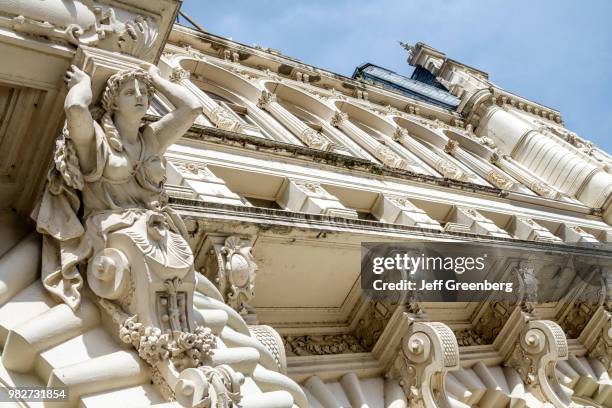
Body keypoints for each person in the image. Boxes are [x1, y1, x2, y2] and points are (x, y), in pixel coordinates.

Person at [33, 63, 202, 309]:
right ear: (113, 102)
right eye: (130, 92)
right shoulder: (96, 140)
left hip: (158, 234)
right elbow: (76, 108)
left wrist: (157, 80)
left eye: (144, 92)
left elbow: (192, 108)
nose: (140, 96)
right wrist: (83, 85)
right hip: (111, 235)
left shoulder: (150, 138)